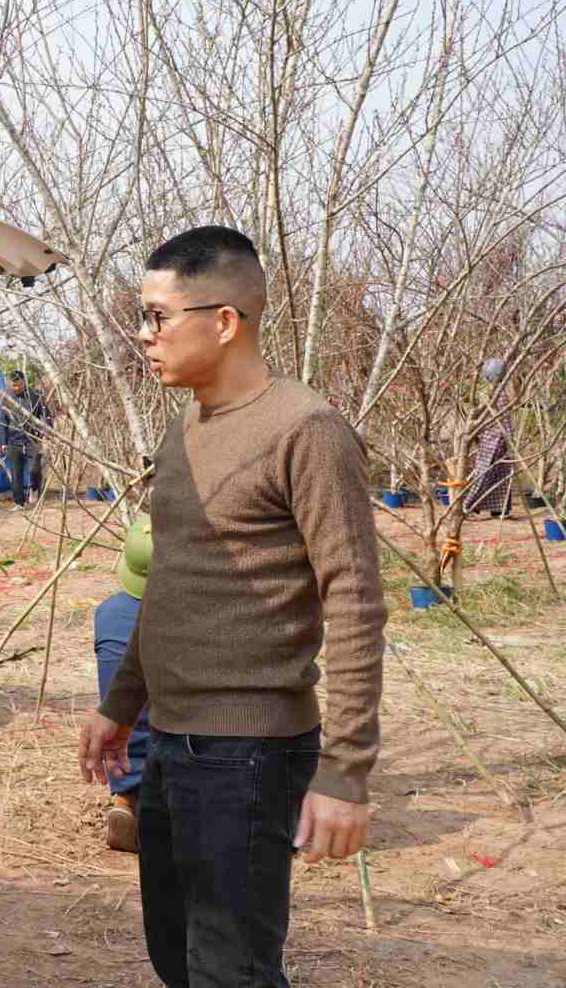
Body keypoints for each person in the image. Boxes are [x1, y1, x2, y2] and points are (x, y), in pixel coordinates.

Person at [76, 226, 386, 988]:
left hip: (248, 753)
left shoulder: (305, 430)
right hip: (171, 739)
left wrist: (346, 771)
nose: (143, 336)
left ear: (223, 321)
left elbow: (354, 598)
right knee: (175, 953)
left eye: (158, 316)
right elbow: (171, 582)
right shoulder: (184, 430)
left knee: (231, 970)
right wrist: (122, 702)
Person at [95, 512, 152, 854]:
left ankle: (125, 796)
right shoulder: (188, 619)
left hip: (119, 748)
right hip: (173, 750)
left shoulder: (107, 612)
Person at [464, 358, 515, 519]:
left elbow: (503, 418)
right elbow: (499, 418)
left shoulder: (496, 393)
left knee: (498, 474)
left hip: (496, 439)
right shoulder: (493, 393)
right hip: (493, 439)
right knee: (486, 473)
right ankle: (471, 505)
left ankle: (496, 508)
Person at [0, 369, 52, 507]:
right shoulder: (7, 398)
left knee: (35, 469)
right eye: (14, 385)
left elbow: (46, 415)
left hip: (32, 439)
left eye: (19, 384)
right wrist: (3, 441)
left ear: (24, 382)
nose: (16, 387)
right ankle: (19, 503)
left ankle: (34, 489)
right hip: (13, 440)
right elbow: (2, 420)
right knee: (16, 473)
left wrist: (47, 433)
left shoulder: (34, 395)